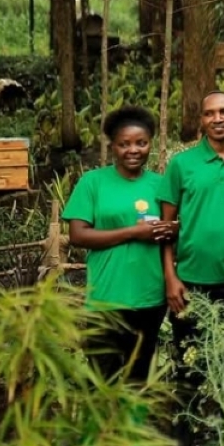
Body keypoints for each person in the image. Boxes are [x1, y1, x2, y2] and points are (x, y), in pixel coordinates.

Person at [159, 91, 224, 446]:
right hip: (190, 283)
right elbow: (166, 229)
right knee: (188, 363)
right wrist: (171, 276)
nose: (218, 118)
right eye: (210, 113)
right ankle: (184, 440)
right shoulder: (182, 165)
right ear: (201, 119)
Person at [65, 106, 176, 384]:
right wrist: (132, 232)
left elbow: (171, 233)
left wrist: (174, 229)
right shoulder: (93, 182)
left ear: (150, 142)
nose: (133, 150)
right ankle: (102, 429)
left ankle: (134, 425)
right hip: (106, 297)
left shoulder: (161, 185)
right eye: (124, 144)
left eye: (141, 143)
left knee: (139, 377)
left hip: (149, 297)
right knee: (101, 380)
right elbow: (78, 235)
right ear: (112, 146)